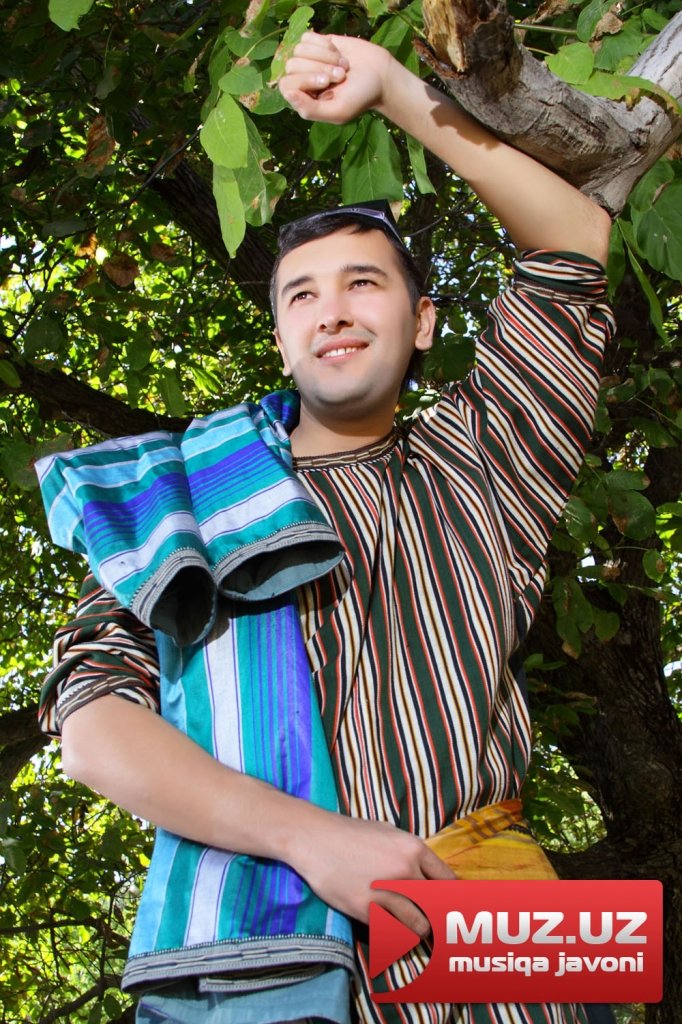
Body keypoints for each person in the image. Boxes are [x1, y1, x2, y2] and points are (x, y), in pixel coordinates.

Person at [36, 29, 614, 1024]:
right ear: (280, 337)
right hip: (246, 945)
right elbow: (91, 727)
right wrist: (310, 837)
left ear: (422, 322)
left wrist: (390, 85)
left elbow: (574, 243)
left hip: (490, 915)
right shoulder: (175, 502)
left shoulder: (484, 463)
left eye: (364, 283)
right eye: (302, 294)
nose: (332, 310)